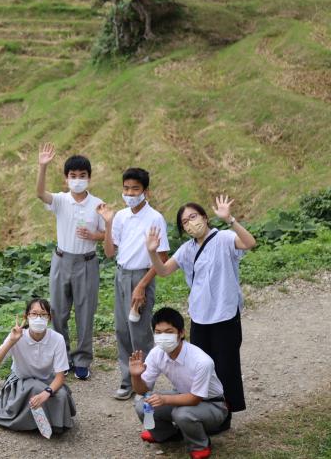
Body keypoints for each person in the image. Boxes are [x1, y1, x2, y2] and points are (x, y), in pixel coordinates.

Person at [145, 195, 256, 430]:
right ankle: (203, 409)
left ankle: (224, 414)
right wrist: (153, 252)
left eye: (193, 217)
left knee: (226, 366)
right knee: (201, 365)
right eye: (185, 222)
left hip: (225, 315)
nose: (190, 224)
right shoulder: (187, 249)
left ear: (205, 217)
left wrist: (230, 219)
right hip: (199, 317)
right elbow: (164, 271)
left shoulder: (224, 238)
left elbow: (249, 243)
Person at [97, 167, 170, 400]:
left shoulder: (155, 218)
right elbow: (109, 252)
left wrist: (142, 286)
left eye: (135, 189)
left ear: (146, 191)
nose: (129, 193)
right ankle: (127, 380)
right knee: (121, 330)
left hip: (142, 276)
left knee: (139, 333)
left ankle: (144, 383)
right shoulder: (121, 216)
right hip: (121, 275)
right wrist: (108, 223)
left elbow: (164, 256)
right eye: (126, 188)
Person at [36, 143, 105, 380]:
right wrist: (42, 167)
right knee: (58, 311)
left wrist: (94, 236)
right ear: (66, 178)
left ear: (89, 178)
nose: (77, 180)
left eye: (82, 176)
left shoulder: (98, 204)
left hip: (87, 262)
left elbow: (108, 235)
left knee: (85, 313)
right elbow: (40, 194)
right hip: (61, 260)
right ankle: (63, 356)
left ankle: (83, 359)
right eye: (73, 176)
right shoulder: (61, 200)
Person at [130, 307, 228, 459]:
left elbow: (195, 398)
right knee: (142, 404)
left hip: (213, 404)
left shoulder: (202, 361)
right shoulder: (157, 353)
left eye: (169, 332)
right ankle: (168, 435)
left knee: (181, 413)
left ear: (181, 333)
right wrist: (136, 376)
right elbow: (143, 390)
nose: (163, 337)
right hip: (183, 396)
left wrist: (164, 399)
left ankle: (200, 444)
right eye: (158, 332)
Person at [0, 298, 76, 434]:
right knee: (34, 388)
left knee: (61, 395)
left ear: (49, 318)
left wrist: (47, 392)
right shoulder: (17, 336)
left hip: (46, 380)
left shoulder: (57, 338)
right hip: (20, 381)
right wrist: (11, 342)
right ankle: (37, 424)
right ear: (26, 317)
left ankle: (55, 424)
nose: (38, 318)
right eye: (34, 314)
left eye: (43, 314)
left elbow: (60, 377)